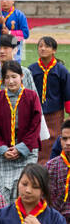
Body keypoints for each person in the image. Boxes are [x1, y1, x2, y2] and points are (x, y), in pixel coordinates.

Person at [0, 60, 43, 202]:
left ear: (22, 76)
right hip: (5, 152)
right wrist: (3, 149)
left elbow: (35, 126)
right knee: (5, 192)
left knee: (24, 190)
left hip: (27, 150)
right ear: (3, 79)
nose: (11, 81)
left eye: (14, 76)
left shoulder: (31, 96)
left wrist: (21, 148)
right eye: (7, 77)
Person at [30, 36, 70, 164]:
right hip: (36, 111)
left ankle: (54, 165)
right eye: (40, 46)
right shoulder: (31, 70)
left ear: (54, 50)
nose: (42, 49)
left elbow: (67, 94)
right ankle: (39, 167)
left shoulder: (61, 70)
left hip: (55, 113)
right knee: (39, 139)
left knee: (54, 138)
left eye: (46, 46)